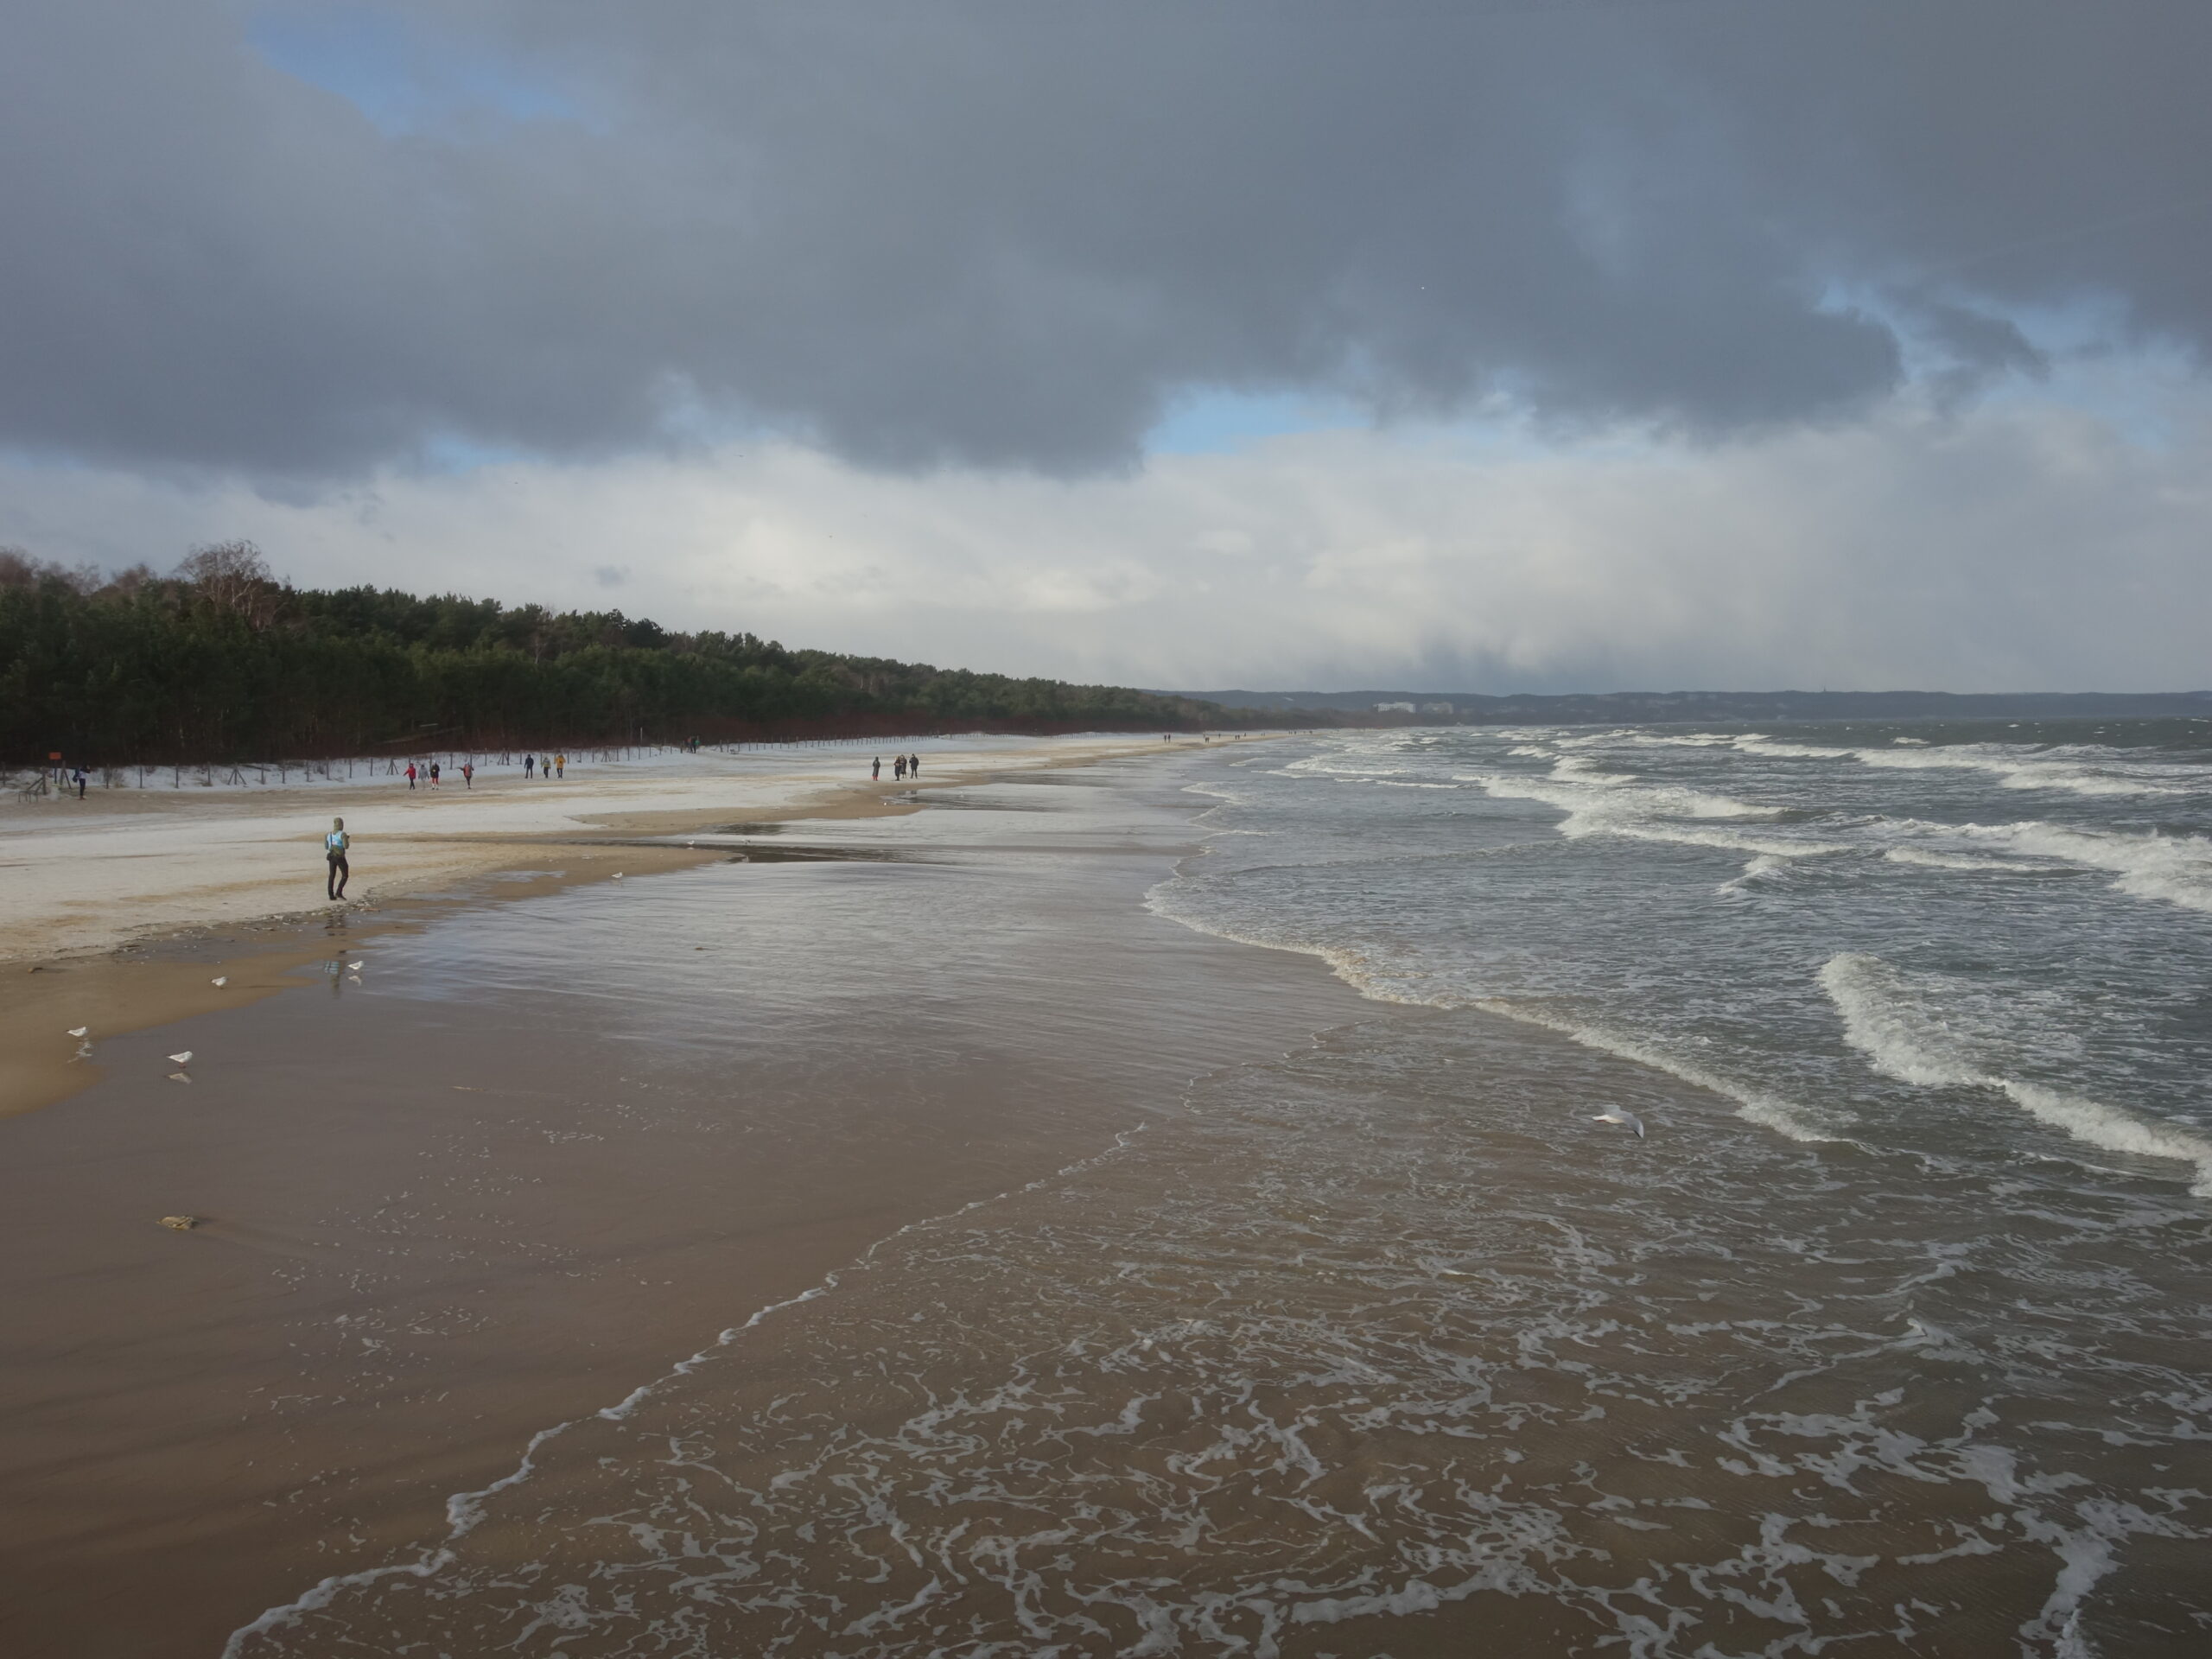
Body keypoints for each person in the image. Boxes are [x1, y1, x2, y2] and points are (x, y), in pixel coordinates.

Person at [325, 817, 350, 900]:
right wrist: (346, 839)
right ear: (341, 824)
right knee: (345, 875)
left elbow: (326, 847)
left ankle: (331, 895)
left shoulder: (328, 834)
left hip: (331, 856)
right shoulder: (342, 834)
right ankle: (339, 892)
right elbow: (346, 846)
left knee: (332, 875)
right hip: (339, 857)